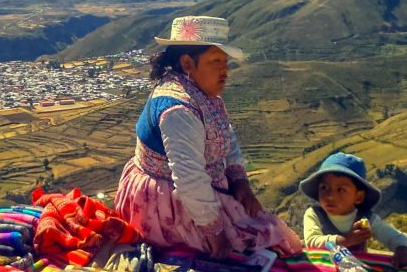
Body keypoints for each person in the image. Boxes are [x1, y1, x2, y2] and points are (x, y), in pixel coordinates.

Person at [114, 15, 303, 259]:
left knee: (263, 234)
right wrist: (216, 234)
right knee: (248, 246)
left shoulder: (203, 95)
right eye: (215, 61)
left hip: (198, 191)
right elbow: (189, 179)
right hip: (167, 201)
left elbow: (226, 135)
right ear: (187, 64)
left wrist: (239, 181)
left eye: (226, 62)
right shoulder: (178, 111)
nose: (225, 70)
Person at [299, 151, 407, 268]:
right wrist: (346, 240)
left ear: (358, 197)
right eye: (324, 187)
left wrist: (402, 249)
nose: (330, 196)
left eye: (340, 190)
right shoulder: (314, 214)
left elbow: (396, 237)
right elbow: (312, 242)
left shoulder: (366, 219)